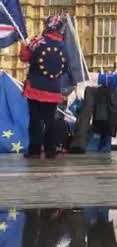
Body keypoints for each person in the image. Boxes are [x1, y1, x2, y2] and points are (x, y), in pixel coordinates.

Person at [19, 15, 69, 159]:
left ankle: (35, 150)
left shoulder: (38, 41)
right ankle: (50, 149)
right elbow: (64, 68)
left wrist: (24, 46)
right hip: (53, 90)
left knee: (35, 119)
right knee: (50, 119)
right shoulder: (63, 46)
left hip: (35, 88)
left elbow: (24, 57)